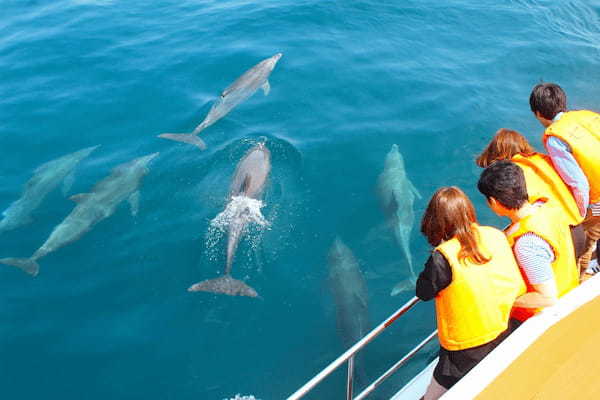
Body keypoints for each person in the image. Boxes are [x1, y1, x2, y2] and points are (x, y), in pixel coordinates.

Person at [416, 187, 525, 400]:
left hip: (467, 347)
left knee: (432, 396)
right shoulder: (495, 234)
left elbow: (423, 291)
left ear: (436, 221)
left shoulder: (443, 257)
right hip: (505, 326)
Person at [477, 160, 579, 326]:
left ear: (494, 202)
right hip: (569, 291)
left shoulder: (527, 245)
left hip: (545, 318)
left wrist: (503, 298)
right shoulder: (546, 207)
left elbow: (547, 298)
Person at [476, 128, 585, 260]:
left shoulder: (515, 175)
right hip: (577, 228)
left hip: (557, 237)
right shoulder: (543, 160)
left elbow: (522, 211)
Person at [529, 83, 600, 275]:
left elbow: (579, 184)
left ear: (537, 113)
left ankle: (583, 274)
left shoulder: (556, 139)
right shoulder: (585, 115)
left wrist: (578, 214)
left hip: (598, 200)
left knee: (583, 238)